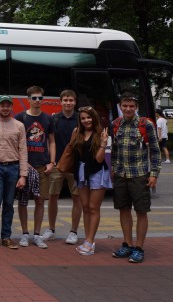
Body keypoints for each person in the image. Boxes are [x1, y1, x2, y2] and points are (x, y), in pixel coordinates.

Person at [111, 93, 161, 264]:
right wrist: (113, 169)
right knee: (123, 210)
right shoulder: (116, 124)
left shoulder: (145, 124)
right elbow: (115, 150)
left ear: (136, 107)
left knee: (141, 211)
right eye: (125, 106)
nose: (128, 109)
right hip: (121, 174)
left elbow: (155, 151)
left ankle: (139, 248)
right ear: (120, 106)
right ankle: (127, 244)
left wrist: (154, 174)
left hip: (139, 175)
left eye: (131, 106)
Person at [0, 95, 28, 251]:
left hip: (13, 168)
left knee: (9, 203)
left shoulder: (19, 126)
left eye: (8, 105)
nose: (5, 108)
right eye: (3, 105)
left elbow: (23, 150)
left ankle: (6, 237)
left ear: (12, 107)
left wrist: (23, 175)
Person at [14, 86, 55, 249]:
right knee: (23, 200)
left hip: (42, 166)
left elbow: (52, 141)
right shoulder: (20, 117)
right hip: (25, 166)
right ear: (28, 99)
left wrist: (52, 162)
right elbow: (15, 142)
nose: (37, 101)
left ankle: (37, 235)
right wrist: (22, 163)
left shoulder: (48, 119)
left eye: (40, 98)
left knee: (40, 200)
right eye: (34, 98)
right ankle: (25, 234)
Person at [67, 106, 111, 255]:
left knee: (93, 207)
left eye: (89, 117)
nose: (86, 120)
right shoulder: (77, 133)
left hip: (97, 172)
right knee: (85, 207)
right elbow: (72, 152)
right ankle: (88, 241)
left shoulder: (101, 134)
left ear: (94, 118)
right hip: (81, 172)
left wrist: (103, 143)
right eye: (83, 118)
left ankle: (90, 242)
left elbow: (99, 159)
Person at [43, 89, 82, 245]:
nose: (68, 103)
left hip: (76, 166)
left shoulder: (81, 119)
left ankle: (73, 232)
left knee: (76, 198)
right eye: (65, 100)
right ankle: (51, 230)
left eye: (71, 100)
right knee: (52, 197)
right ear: (60, 102)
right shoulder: (54, 119)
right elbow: (49, 141)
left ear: (75, 102)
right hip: (57, 164)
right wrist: (50, 161)